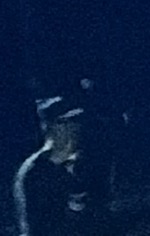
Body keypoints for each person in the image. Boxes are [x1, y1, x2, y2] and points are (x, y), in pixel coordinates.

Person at [14, 98, 93, 236]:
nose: (72, 128)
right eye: (63, 122)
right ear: (48, 126)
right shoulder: (35, 170)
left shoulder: (85, 162)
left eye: (76, 121)